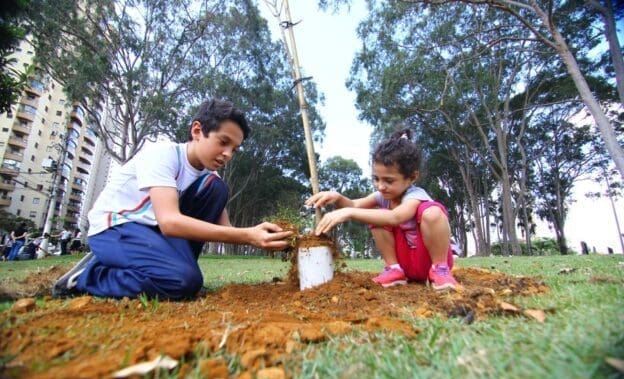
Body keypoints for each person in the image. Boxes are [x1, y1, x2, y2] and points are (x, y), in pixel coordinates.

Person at [52, 99, 293, 299]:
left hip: (153, 233)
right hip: (116, 227)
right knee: (182, 283)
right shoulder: (163, 154)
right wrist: (248, 235)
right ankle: (88, 276)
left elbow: (226, 230)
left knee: (216, 188)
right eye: (223, 142)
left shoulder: (210, 176)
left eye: (235, 149)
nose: (228, 154)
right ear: (197, 131)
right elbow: (169, 222)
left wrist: (264, 237)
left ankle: (172, 268)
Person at [305, 128, 458, 290]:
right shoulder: (382, 196)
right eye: (376, 179)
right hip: (406, 263)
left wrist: (348, 213)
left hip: (427, 260)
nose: (380, 186)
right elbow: (354, 205)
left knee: (432, 212)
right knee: (377, 216)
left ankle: (440, 270)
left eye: (389, 181)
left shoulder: (416, 196)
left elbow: (395, 217)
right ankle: (394, 270)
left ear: (412, 177)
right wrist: (338, 198)